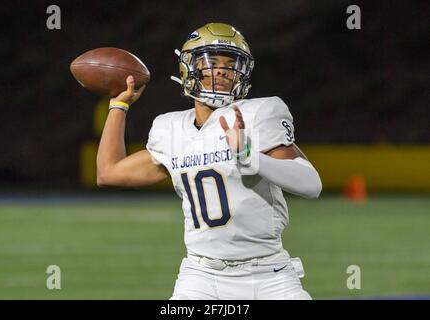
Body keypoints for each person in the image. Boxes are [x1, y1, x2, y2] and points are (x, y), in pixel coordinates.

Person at [97, 22, 322, 300]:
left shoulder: (258, 113)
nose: (222, 71)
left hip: (267, 275)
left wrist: (249, 157)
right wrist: (119, 105)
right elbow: (109, 173)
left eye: (231, 64)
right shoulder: (170, 130)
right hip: (201, 275)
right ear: (189, 68)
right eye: (211, 62)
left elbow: (311, 184)